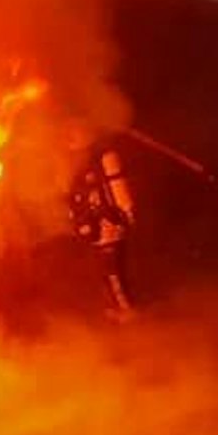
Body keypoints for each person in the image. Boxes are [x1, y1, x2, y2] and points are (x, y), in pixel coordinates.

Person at [64, 119, 139, 322]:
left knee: (113, 274)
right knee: (105, 274)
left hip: (108, 225)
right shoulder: (77, 164)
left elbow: (118, 190)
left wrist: (124, 216)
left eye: (74, 132)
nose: (69, 138)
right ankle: (117, 312)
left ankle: (129, 315)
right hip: (95, 229)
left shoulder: (102, 159)